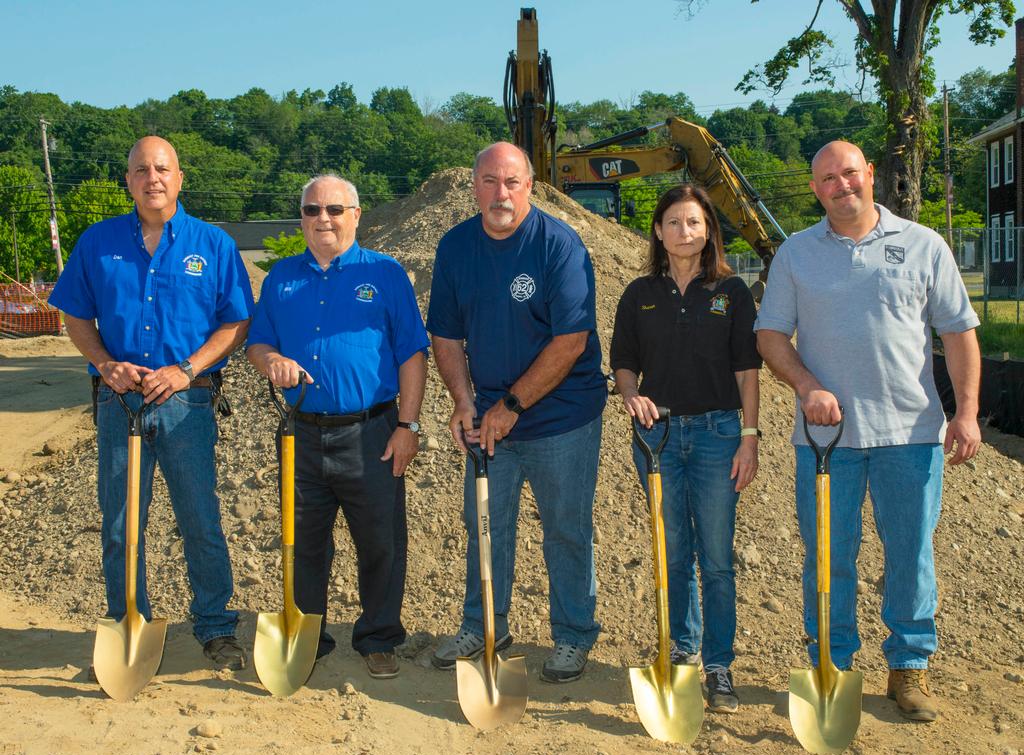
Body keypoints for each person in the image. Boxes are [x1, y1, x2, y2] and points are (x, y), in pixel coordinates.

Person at [756, 140, 981, 722]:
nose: (841, 185)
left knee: (910, 553)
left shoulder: (923, 245)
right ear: (815, 189)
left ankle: (908, 669)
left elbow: (958, 334)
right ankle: (831, 667)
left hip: (910, 435)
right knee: (828, 558)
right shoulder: (795, 254)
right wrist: (807, 387)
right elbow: (770, 337)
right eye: (828, 178)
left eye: (849, 173)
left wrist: (967, 412)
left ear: (870, 174)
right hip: (826, 442)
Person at [49, 136, 254, 671]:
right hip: (119, 405)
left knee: (200, 519)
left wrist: (186, 369)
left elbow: (236, 323)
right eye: (141, 170)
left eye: (162, 169)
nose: (153, 178)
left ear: (179, 178)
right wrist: (105, 363)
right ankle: (127, 625)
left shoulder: (213, 244)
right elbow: (74, 314)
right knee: (121, 523)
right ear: (129, 181)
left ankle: (214, 626)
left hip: (188, 406)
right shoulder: (98, 243)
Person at [427, 142, 607, 683]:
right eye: (488, 181)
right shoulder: (456, 247)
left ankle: (573, 635)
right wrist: (464, 401)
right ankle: (484, 625)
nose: (500, 193)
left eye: (511, 182)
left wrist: (510, 405)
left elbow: (571, 340)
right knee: (485, 524)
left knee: (567, 529)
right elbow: (445, 333)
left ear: (530, 186)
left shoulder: (559, 246)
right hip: (489, 417)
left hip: (563, 419)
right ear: (474, 186)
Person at [247, 175, 428, 680]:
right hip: (300, 433)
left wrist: (408, 425)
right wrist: (272, 360)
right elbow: (258, 344)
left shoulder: (387, 274)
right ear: (301, 216)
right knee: (303, 542)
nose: (322, 219)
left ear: (355, 214)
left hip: (372, 432)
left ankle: (378, 636)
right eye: (311, 210)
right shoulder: (280, 278)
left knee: (380, 542)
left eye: (333, 209)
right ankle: (310, 637)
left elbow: (412, 353)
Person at [610, 184, 761, 713]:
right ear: (657, 230)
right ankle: (682, 650)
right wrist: (631, 396)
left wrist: (750, 436)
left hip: (720, 436)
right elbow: (623, 360)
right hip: (659, 439)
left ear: (708, 230)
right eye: (673, 222)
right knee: (672, 552)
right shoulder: (639, 294)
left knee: (717, 557)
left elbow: (747, 369)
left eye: (693, 223)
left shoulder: (732, 292)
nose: (683, 232)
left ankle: (719, 665)